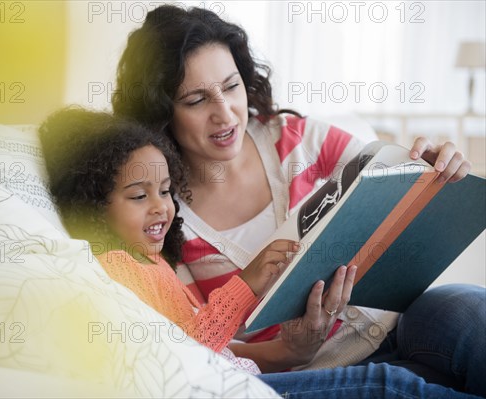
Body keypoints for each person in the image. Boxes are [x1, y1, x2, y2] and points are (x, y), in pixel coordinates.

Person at [111, 4, 486, 397]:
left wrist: (428, 170)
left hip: (395, 323)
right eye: (196, 100)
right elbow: (203, 346)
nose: (225, 114)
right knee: (399, 386)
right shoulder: (160, 213)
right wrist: (290, 349)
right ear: (161, 112)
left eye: (231, 86)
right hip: (301, 372)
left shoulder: (297, 139)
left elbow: (390, 179)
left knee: (471, 311)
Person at [39, 106, 481, 399]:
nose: (162, 207)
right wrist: (246, 285)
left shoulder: (150, 261)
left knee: (462, 318)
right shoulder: (118, 269)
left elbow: (201, 338)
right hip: (242, 385)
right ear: (95, 210)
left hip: (261, 369)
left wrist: (426, 166)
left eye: (167, 191)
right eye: (139, 196)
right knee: (391, 386)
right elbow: (187, 350)